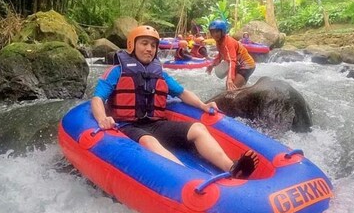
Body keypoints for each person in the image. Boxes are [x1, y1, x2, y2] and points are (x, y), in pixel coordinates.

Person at [91, 25, 259, 178]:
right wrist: (102, 119)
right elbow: (98, 98)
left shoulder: (160, 74)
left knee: (198, 128)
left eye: (153, 45)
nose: (149, 49)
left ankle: (232, 168)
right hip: (127, 126)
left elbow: (182, 93)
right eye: (144, 43)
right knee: (148, 141)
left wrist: (203, 105)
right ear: (131, 45)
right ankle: (188, 177)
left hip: (156, 124)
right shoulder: (117, 71)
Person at [206, 19, 256, 91]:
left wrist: (230, 79)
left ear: (222, 31)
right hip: (238, 65)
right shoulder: (219, 42)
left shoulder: (228, 43)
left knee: (230, 90)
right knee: (229, 88)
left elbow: (232, 61)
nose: (214, 34)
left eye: (217, 31)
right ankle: (243, 85)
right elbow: (221, 55)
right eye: (212, 32)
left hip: (247, 66)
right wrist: (212, 65)